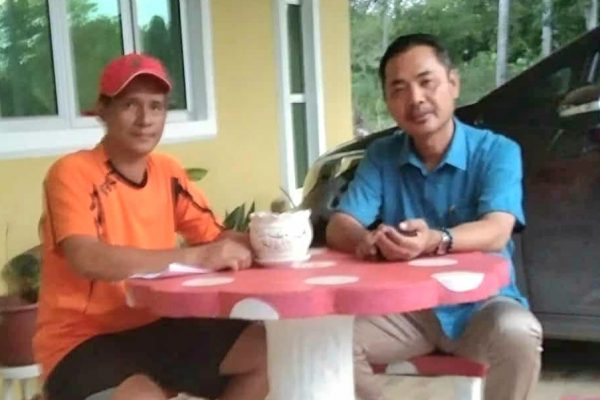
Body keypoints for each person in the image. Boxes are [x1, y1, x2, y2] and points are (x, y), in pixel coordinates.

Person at [34, 53, 268, 400]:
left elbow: (216, 236)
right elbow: (86, 257)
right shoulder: (72, 173)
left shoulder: (167, 172)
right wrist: (196, 257)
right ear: (103, 110)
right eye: (130, 105)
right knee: (144, 396)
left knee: (268, 353)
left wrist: (272, 239)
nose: (145, 119)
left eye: (156, 106)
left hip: (158, 325)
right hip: (81, 340)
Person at [326, 33, 543, 400]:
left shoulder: (497, 151)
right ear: (388, 101)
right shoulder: (381, 155)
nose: (415, 99)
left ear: (453, 84)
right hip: (408, 308)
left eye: (427, 82)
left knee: (518, 333)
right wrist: (367, 240)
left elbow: (496, 230)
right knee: (330, 342)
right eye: (399, 89)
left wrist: (435, 240)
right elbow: (340, 225)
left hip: (483, 305)